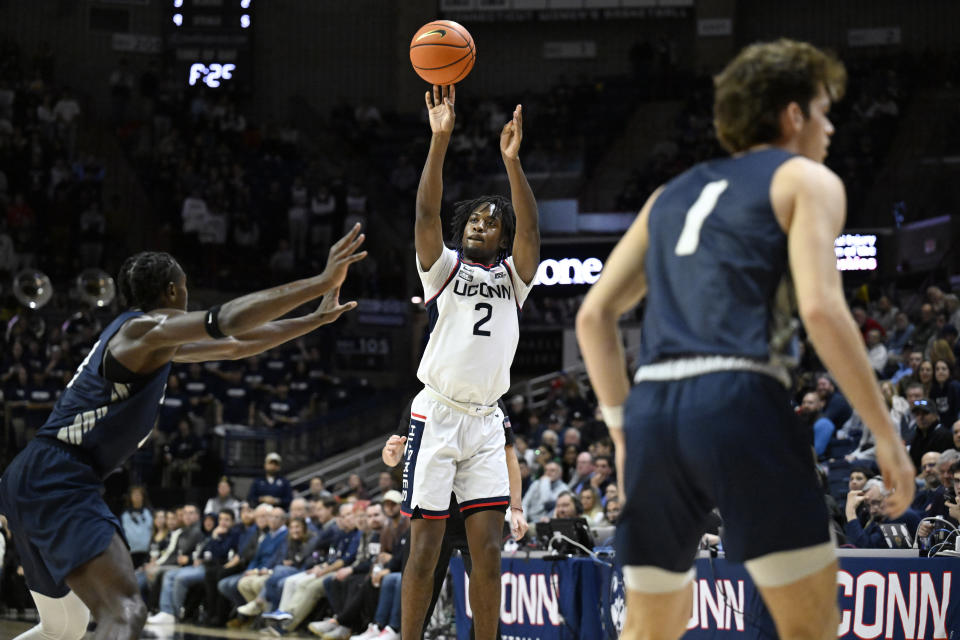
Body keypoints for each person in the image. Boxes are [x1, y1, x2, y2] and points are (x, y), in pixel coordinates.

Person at [576, 39, 915, 640]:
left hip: (654, 409)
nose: (830, 127)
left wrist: (624, 433)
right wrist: (885, 433)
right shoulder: (806, 179)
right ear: (793, 115)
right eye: (823, 109)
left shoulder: (668, 195)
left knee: (655, 623)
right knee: (810, 624)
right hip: (738, 397)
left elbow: (594, 317)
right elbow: (820, 307)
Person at [0, 227, 366, 640]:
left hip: (33, 475)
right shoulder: (142, 330)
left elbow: (235, 345)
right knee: (126, 611)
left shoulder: (150, 343)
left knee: (62, 627)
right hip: (58, 475)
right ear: (174, 292)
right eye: (187, 287)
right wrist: (321, 281)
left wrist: (313, 320)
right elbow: (227, 320)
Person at [399, 83, 539, 640]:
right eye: (475, 220)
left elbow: (531, 228)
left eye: (491, 221)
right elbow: (425, 211)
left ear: (502, 236)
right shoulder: (444, 271)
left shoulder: (513, 277)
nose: (482, 224)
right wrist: (440, 141)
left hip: (485, 422)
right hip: (436, 414)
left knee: (489, 549)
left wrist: (513, 163)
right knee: (426, 549)